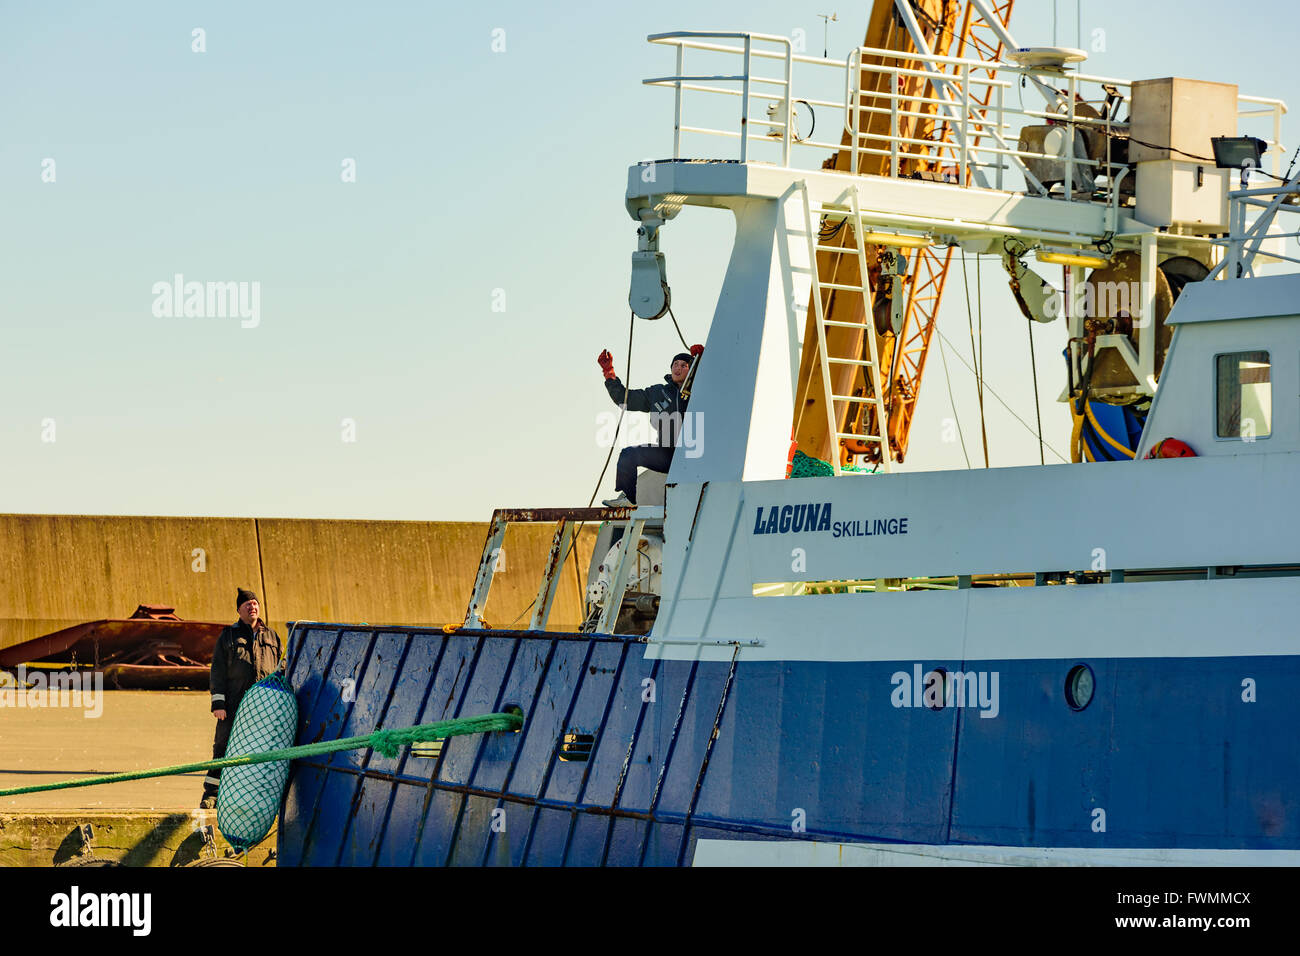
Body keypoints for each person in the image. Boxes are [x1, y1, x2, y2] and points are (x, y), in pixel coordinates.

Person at [199, 588, 284, 809]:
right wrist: (218, 703)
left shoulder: (272, 637)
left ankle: (254, 799)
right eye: (247, 604)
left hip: (264, 708)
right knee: (223, 747)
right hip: (233, 705)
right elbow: (217, 670)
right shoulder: (228, 636)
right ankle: (212, 794)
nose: (252, 607)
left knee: (262, 751)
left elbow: (282, 670)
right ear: (239, 610)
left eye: (255, 603)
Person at [598, 343, 703, 507]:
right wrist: (608, 372)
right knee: (628, 454)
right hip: (667, 454)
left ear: (691, 370)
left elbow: (719, 382)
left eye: (684, 365)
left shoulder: (701, 390)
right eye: (675, 364)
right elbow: (625, 399)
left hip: (694, 455)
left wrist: (702, 361)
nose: (678, 368)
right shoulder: (657, 392)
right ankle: (628, 500)